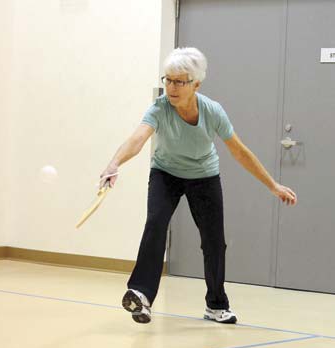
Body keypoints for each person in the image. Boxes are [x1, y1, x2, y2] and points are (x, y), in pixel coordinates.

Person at [99, 47, 297, 325]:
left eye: (179, 81)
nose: (171, 87)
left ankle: (216, 305)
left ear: (196, 84)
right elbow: (138, 139)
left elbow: (239, 151)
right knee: (155, 223)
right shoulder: (159, 108)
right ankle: (141, 295)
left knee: (214, 241)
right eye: (168, 80)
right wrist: (114, 163)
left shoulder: (212, 111)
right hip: (165, 173)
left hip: (204, 176)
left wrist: (272, 185)